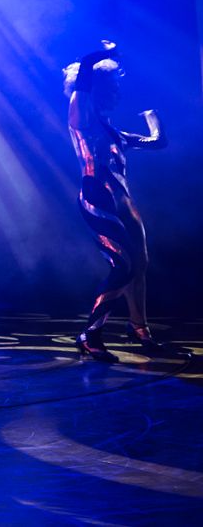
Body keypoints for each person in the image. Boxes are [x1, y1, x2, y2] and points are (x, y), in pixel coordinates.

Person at [63, 41, 181, 360]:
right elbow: (85, 69)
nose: (118, 91)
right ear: (98, 87)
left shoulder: (113, 131)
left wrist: (152, 114)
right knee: (123, 266)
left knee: (138, 265)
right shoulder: (81, 116)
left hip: (124, 204)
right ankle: (90, 334)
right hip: (97, 200)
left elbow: (158, 142)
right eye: (114, 85)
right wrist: (107, 53)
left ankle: (139, 329)